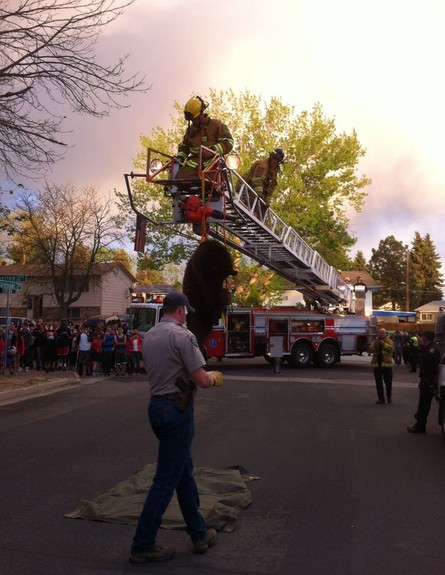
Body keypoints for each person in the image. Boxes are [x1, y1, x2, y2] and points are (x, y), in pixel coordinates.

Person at [129, 292, 223, 564]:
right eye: (186, 311)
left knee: (183, 472)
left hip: (156, 407)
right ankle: (143, 543)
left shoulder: (151, 335)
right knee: (166, 479)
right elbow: (201, 379)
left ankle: (199, 534)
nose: (187, 315)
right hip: (176, 410)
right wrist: (215, 378)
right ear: (181, 310)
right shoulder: (183, 336)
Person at [175, 96, 234, 181]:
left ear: (201, 113)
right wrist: (180, 157)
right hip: (194, 164)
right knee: (180, 180)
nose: (193, 121)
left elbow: (228, 142)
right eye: (192, 120)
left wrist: (212, 150)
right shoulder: (190, 130)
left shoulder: (216, 125)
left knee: (211, 184)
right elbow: (184, 147)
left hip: (213, 163)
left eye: (195, 119)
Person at [407, 331, 441, 434]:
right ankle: (419, 424)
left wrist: (428, 380)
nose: (420, 339)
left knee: (424, 403)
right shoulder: (428, 348)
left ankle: (420, 426)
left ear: (425, 337)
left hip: (428, 380)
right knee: (423, 403)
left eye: (422, 337)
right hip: (426, 379)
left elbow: (430, 366)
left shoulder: (432, 350)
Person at [369, 327, 394, 404]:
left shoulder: (389, 341)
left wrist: (383, 344)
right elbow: (369, 350)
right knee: (378, 383)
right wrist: (374, 346)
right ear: (377, 334)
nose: (381, 334)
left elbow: (391, 349)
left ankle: (389, 396)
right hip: (377, 366)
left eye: (383, 332)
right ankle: (381, 399)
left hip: (387, 366)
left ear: (386, 334)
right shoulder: (375, 341)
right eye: (380, 332)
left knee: (388, 382)